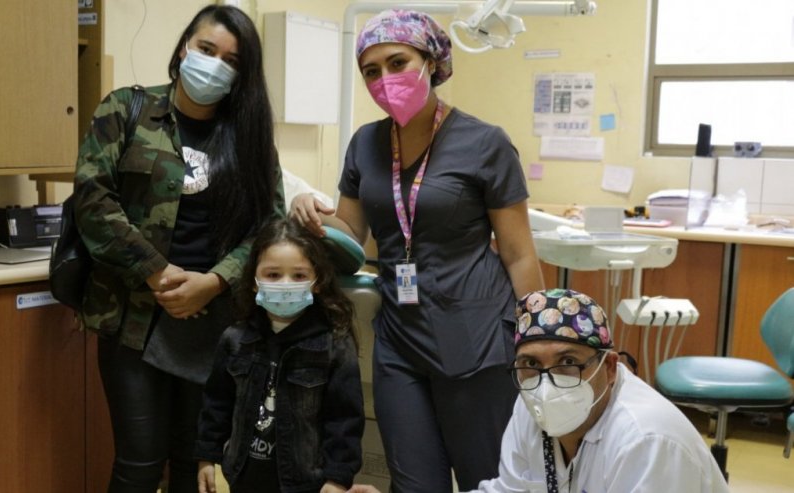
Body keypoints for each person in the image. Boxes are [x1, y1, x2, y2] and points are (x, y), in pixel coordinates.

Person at [290, 9, 544, 491]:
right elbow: (350, 233)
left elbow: (518, 253)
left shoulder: (484, 143)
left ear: (430, 61)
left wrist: (537, 339)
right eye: (371, 70)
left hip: (478, 340)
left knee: (485, 481)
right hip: (400, 343)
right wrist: (308, 206)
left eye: (397, 62)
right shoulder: (365, 143)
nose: (385, 78)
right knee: (413, 484)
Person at [71, 5, 284, 492]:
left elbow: (267, 225)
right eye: (207, 49)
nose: (214, 65)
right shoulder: (126, 108)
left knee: (200, 462)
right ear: (185, 45)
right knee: (140, 464)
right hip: (135, 318)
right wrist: (156, 272)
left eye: (231, 60)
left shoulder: (249, 136)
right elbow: (92, 199)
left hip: (215, 321)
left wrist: (214, 282)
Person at [350, 289, 730, 493]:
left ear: (609, 367)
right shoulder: (530, 402)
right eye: (531, 363)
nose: (547, 382)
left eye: (568, 361)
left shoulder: (646, 440)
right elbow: (511, 490)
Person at [194, 218, 364, 493]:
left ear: (317, 282)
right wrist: (206, 456)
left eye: (298, 276)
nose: (285, 285)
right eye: (273, 275)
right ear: (253, 281)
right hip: (244, 476)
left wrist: (338, 477)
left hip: (305, 482)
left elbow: (344, 420)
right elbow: (216, 404)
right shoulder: (234, 340)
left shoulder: (334, 346)